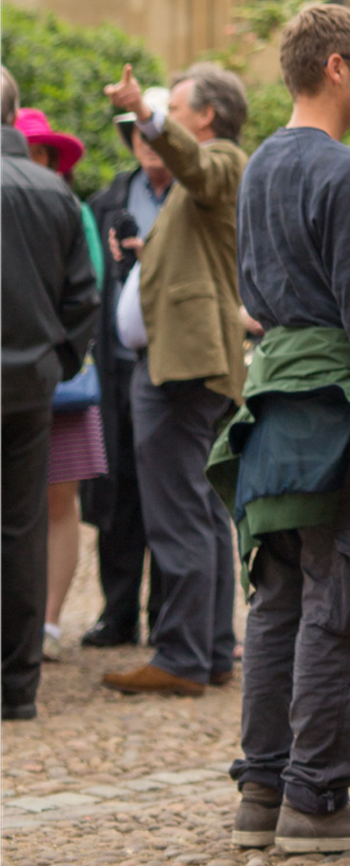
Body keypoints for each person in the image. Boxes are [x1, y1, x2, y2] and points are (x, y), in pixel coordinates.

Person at [214, 5, 350, 854]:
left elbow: (260, 292)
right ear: (338, 67)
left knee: (280, 599)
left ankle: (263, 792)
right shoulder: (339, 173)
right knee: (346, 597)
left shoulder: (263, 162)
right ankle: (318, 798)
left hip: (271, 403)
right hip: (339, 405)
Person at [99, 56, 251, 699]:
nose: (164, 124)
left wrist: (145, 112)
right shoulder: (207, 174)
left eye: (178, 108)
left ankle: (184, 654)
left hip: (183, 366)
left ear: (205, 116)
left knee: (178, 511)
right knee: (200, 509)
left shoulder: (222, 161)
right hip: (190, 360)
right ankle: (210, 650)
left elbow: (193, 163)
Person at [0, 68, 100, 722]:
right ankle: (15, 688)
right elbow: (83, 297)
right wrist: (56, 363)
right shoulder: (53, 192)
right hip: (28, 385)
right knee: (20, 527)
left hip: (32, 376)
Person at [13, 110, 108, 661]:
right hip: (41, 370)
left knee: (59, 501)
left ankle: (48, 624)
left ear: (51, 158)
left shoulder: (73, 211)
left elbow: (87, 291)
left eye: (36, 150)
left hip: (61, 381)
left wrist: (62, 361)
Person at [81, 95, 172, 650]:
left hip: (171, 368)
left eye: (149, 128)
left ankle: (167, 617)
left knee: (168, 495)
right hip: (116, 366)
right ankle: (116, 614)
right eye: (132, 130)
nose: (141, 138)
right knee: (114, 495)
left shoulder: (195, 195)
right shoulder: (108, 199)